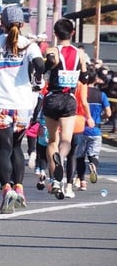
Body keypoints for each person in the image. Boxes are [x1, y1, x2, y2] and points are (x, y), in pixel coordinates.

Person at [0, 5, 44, 214]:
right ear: (22, 24)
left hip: (0, 105)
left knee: (3, 150)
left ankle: (6, 190)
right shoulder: (29, 45)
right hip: (23, 106)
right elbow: (40, 65)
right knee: (16, 148)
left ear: (1, 23)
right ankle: (20, 189)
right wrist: (37, 79)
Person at [42, 18, 89, 200]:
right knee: (66, 140)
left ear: (55, 33)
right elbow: (84, 79)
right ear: (73, 33)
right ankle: (61, 159)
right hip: (69, 99)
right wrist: (81, 66)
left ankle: (55, 179)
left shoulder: (52, 51)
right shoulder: (80, 54)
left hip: (52, 98)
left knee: (52, 140)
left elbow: (44, 69)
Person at [75, 68, 111, 192]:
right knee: (94, 154)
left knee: (79, 156)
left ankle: (82, 182)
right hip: (95, 130)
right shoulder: (101, 95)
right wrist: (101, 118)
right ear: (95, 79)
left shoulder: (79, 93)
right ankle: (93, 164)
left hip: (81, 128)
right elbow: (108, 113)